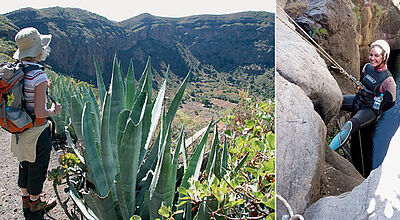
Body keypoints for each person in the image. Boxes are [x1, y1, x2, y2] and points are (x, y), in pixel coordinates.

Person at [10, 27, 62, 215]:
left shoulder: (16, 71)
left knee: (24, 164)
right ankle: (36, 203)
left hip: (18, 127)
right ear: (38, 49)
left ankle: (25, 201)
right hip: (37, 131)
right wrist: (54, 111)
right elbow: (40, 112)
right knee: (38, 167)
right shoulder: (38, 75)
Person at [329, 40, 396, 156]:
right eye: (371, 55)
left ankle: (328, 151)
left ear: (384, 57)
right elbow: (363, 81)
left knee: (349, 126)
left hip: (369, 110)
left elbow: (390, 103)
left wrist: (377, 108)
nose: (372, 58)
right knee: (335, 99)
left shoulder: (388, 80)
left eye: (376, 56)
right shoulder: (367, 67)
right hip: (358, 100)